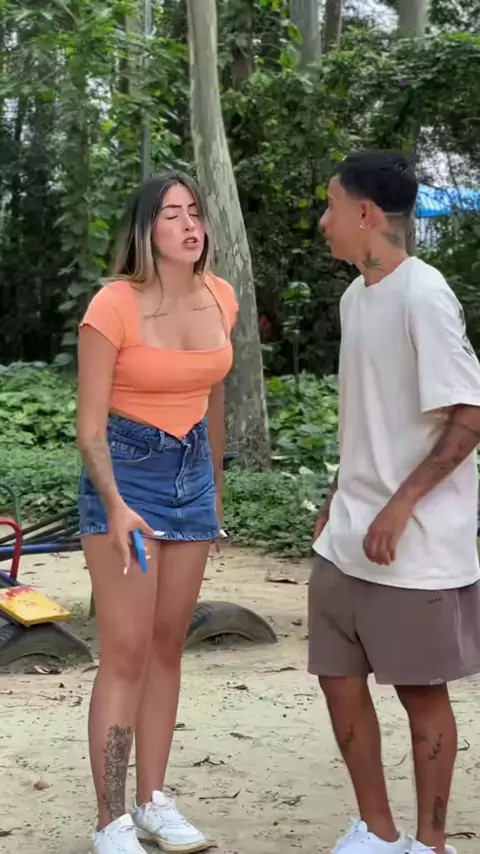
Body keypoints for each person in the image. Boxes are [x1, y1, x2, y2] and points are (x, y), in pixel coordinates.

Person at [310, 150, 480, 854]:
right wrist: (338, 493)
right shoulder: (357, 297)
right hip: (347, 534)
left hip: (414, 544)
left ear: (365, 214)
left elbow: (470, 414)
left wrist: (401, 505)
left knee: (421, 694)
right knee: (338, 680)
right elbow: (372, 415)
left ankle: (430, 845)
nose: (323, 222)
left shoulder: (424, 295)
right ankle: (378, 834)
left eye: (330, 207)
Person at [77, 171, 238, 854]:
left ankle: (153, 803)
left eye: (194, 212)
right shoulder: (112, 304)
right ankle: (110, 819)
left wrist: (214, 490)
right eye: (171, 214)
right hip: (125, 478)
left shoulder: (220, 295)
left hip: (192, 477)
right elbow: (88, 429)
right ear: (146, 229)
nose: (188, 224)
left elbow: (213, 394)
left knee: (169, 646)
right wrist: (115, 507)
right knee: (127, 651)